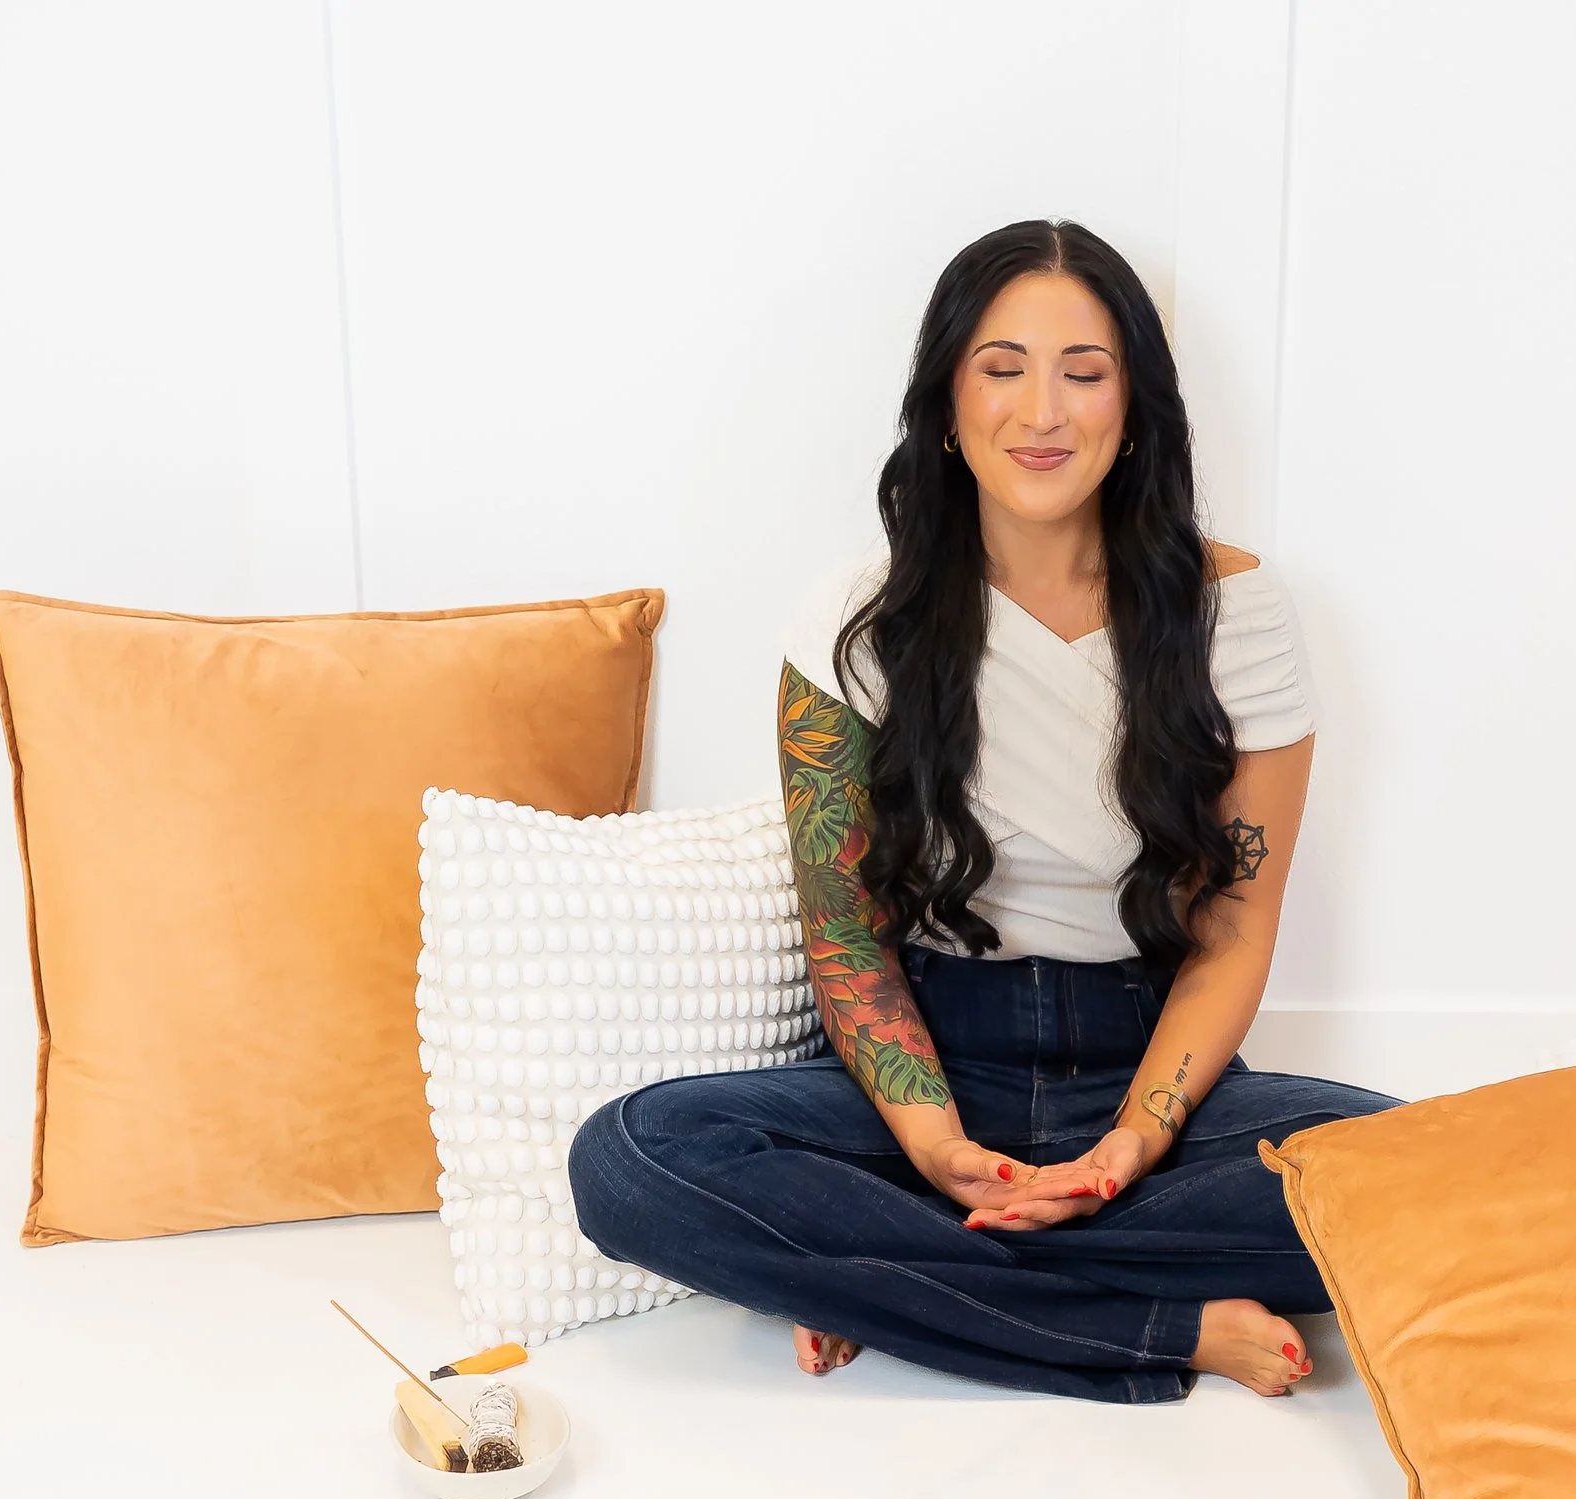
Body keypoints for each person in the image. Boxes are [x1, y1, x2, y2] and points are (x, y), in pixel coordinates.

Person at [568, 218, 1400, 1403]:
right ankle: (1152, 1326)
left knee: (1428, 1181)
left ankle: (883, 1276)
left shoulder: (1241, 613)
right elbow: (847, 935)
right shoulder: (858, 620)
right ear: (947, 402)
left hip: (1148, 1072)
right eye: (1002, 368)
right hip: (930, 1079)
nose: (1043, 411)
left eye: (1084, 370)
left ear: (1136, 402)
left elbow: (1233, 925)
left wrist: (1129, 1146)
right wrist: (935, 1149)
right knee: (630, 1162)